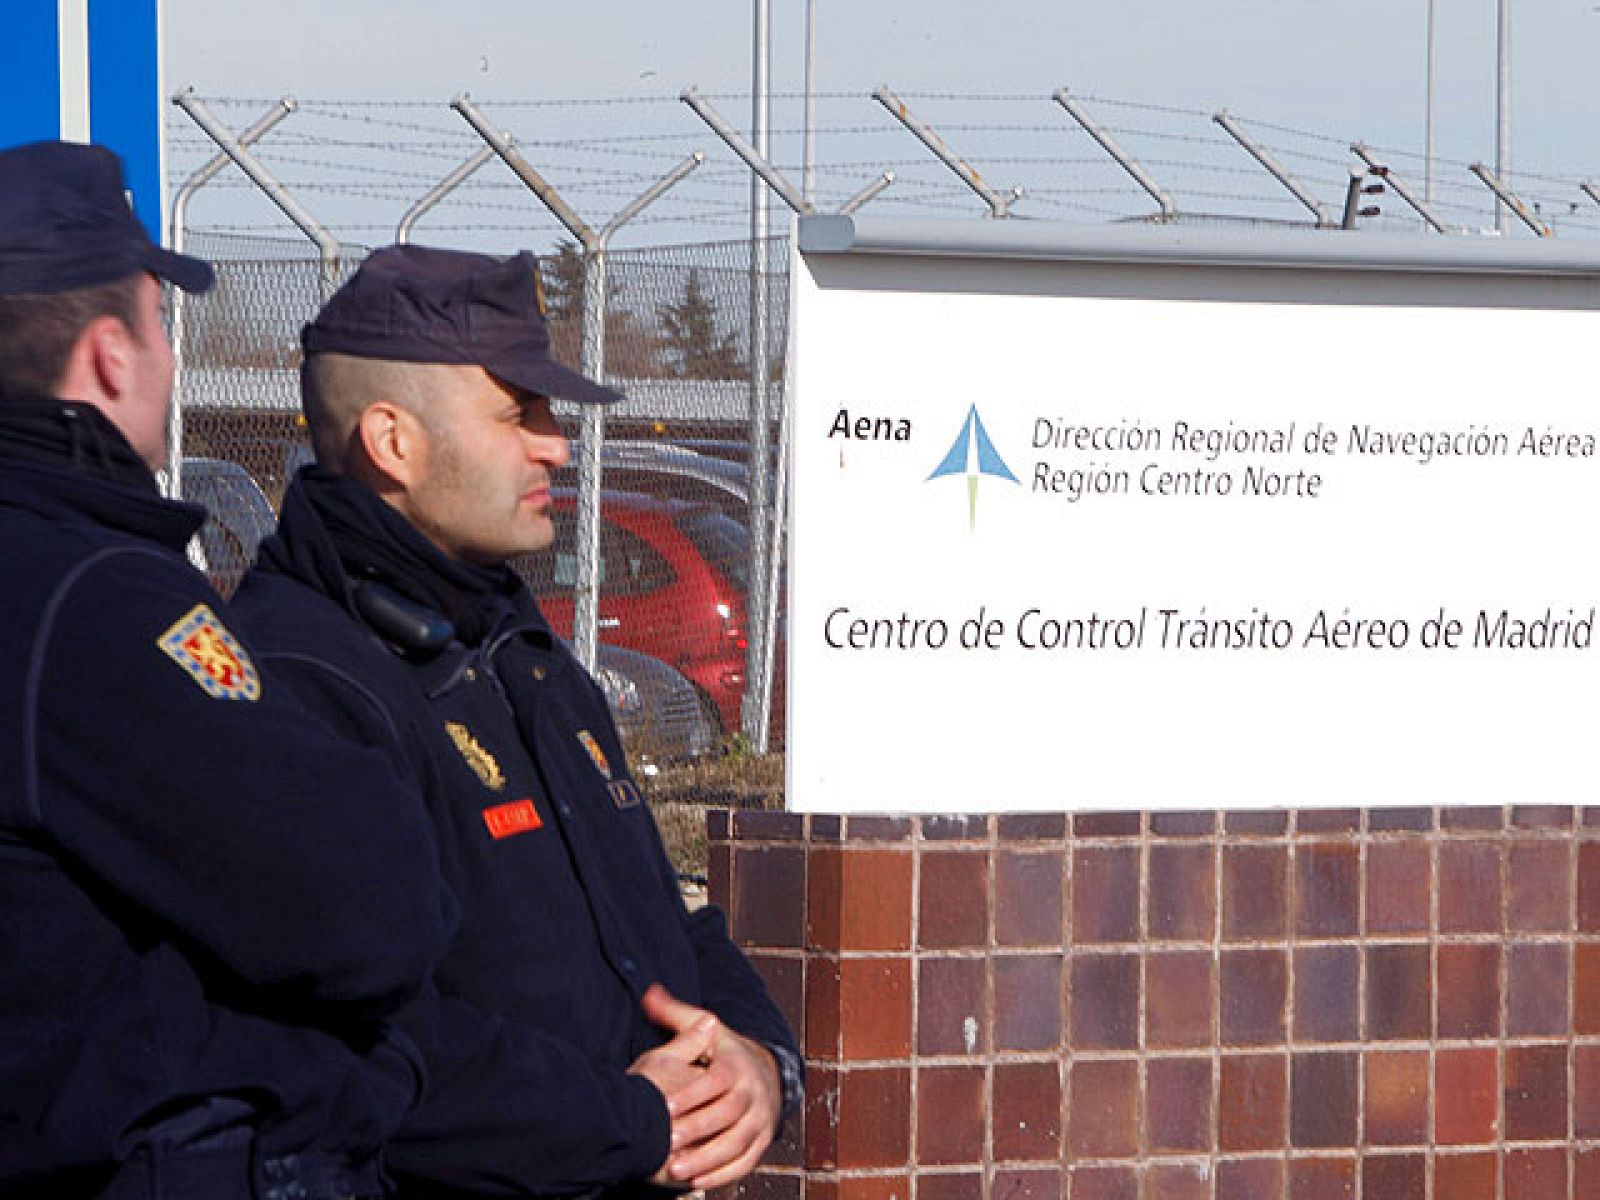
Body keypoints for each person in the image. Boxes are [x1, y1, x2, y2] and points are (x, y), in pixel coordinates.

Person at [231, 244, 802, 1197]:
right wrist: (627, 1122)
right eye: (518, 413)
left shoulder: (518, 652)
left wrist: (755, 1063)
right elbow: (370, 1044)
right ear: (393, 441)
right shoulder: (299, 682)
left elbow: (660, 923)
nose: (556, 443)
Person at [0, 142, 455, 1199]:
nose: (166, 360)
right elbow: (366, 907)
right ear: (112, 355)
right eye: (162, 326)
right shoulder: (93, 596)